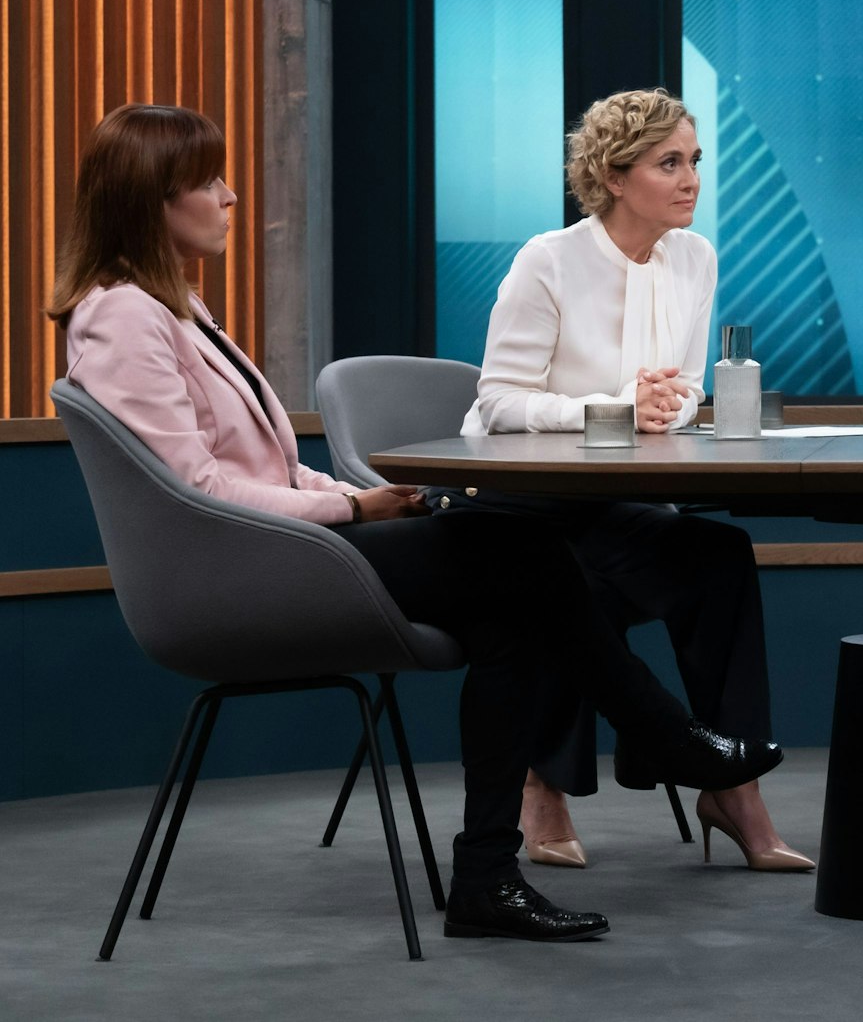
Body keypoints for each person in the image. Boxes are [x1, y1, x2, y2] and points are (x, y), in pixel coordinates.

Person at [50, 103, 783, 942]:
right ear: (151, 200)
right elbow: (196, 489)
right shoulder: (121, 316)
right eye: (208, 182)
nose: (230, 197)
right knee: (530, 556)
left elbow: (269, 470)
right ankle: (672, 741)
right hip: (239, 573)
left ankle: (487, 878)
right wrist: (351, 504)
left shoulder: (173, 305)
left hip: (289, 539)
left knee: (518, 605)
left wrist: (356, 495)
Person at [438, 87, 811, 872]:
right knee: (568, 583)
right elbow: (498, 403)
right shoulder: (549, 260)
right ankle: (545, 780)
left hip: (611, 500)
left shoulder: (695, 257)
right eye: (667, 163)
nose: (690, 179)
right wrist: (616, 408)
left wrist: (668, 409)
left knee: (718, 560)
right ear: (613, 175)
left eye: (694, 161)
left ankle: (732, 785)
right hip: (516, 506)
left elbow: (677, 398)